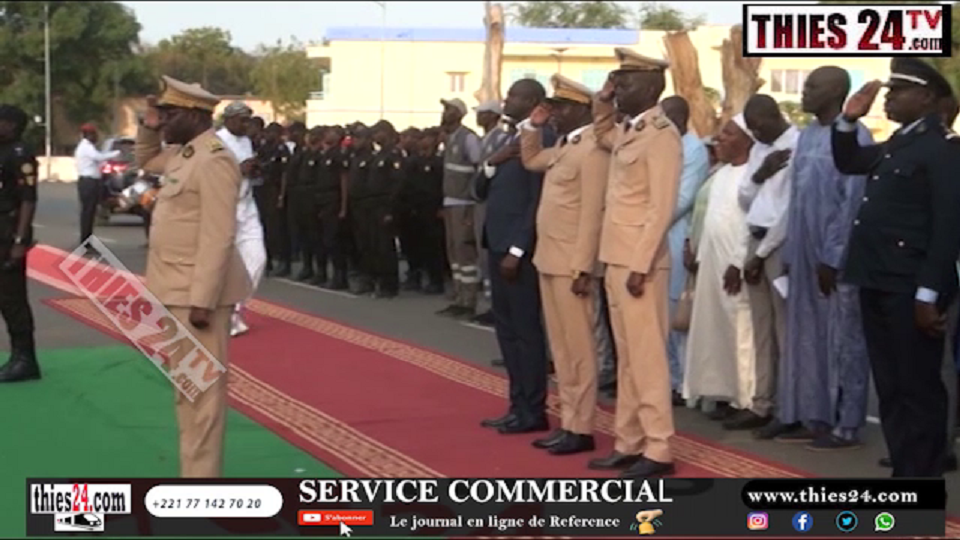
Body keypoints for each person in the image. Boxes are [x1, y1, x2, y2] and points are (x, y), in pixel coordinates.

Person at [832, 58, 960, 477]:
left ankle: (922, 477)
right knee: (890, 387)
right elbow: (850, 161)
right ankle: (905, 471)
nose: (887, 99)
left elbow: (947, 226)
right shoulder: (901, 144)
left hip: (909, 287)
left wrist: (929, 293)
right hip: (877, 279)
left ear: (925, 98)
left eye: (897, 92)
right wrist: (849, 120)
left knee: (917, 388)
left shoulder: (941, 148)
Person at [136, 75, 251, 477]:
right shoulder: (186, 154)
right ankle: (193, 474)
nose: (163, 120)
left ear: (191, 115)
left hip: (197, 297)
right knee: (187, 389)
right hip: (175, 289)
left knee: (203, 395)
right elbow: (146, 158)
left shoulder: (215, 158)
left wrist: (204, 297)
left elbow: (219, 235)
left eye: (168, 114)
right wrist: (148, 123)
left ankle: (202, 484)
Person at [757, 67, 872, 450]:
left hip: (834, 257)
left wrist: (833, 256)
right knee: (805, 339)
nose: (804, 92)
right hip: (803, 253)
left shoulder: (856, 136)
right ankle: (810, 415)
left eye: (811, 86)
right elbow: (796, 199)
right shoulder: (807, 136)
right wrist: (792, 252)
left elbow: (852, 204)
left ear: (837, 90)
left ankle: (846, 423)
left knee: (842, 340)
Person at [587, 49, 681, 479]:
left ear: (651, 88)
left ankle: (659, 448)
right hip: (617, 258)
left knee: (646, 359)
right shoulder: (631, 131)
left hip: (639, 264)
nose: (617, 88)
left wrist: (641, 264)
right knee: (627, 358)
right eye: (616, 82)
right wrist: (603, 98)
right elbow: (601, 129)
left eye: (625, 83)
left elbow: (660, 208)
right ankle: (629, 440)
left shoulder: (661, 135)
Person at [519, 74, 609, 455]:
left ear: (578, 110)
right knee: (562, 348)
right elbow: (531, 160)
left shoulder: (593, 149)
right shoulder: (566, 144)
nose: (552, 114)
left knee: (579, 349)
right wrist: (532, 127)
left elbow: (592, 212)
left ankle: (582, 426)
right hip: (550, 259)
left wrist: (583, 266)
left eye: (558, 109)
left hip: (573, 264)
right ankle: (569, 420)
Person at [478, 78, 555, 434]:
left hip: (517, 252)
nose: (506, 100)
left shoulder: (543, 138)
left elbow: (536, 201)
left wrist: (517, 248)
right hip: (496, 244)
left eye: (515, 95)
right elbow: (480, 190)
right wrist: (492, 163)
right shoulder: (509, 138)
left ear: (534, 101)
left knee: (526, 332)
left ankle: (534, 410)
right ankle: (516, 404)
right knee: (506, 332)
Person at [724, 95, 799, 431]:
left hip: (778, 245)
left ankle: (788, 409)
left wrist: (761, 254)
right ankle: (761, 404)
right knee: (762, 329)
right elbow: (745, 199)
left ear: (773, 116)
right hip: (755, 239)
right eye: (751, 128)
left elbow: (788, 210)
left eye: (759, 126)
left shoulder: (797, 144)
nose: (755, 134)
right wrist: (760, 174)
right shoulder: (759, 149)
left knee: (785, 333)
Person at [681, 117, 758, 421]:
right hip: (711, 261)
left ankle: (747, 399)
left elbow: (752, 225)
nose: (718, 139)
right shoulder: (721, 174)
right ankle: (724, 392)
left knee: (741, 329)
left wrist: (738, 264)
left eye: (728, 133)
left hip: (736, 266)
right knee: (715, 329)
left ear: (748, 139)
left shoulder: (753, 175)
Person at [660, 96, 710, 405]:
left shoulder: (694, 150)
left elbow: (681, 200)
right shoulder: (665, 144)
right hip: (657, 237)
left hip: (679, 238)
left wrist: (645, 218)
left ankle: (682, 383)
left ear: (678, 118)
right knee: (661, 313)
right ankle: (668, 378)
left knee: (678, 313)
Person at [216, 102, 266, 337]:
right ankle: (220, 313)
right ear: (228, 120)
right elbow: (211, 175)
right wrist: (239, 169)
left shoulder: (246, 141)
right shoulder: (216, 141)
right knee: (222, 264)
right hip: (224, 208)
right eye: (242, 120)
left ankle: (235, 309)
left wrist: (254, 169)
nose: (247, 125)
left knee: (258, 259)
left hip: (248, 204)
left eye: (248, 120)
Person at [0, 105, 39, 383]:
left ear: (12, 125)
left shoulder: (20, 154)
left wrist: (19, 240)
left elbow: (28, 198)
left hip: (8, 233)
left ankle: (25, 359)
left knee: (12, 298)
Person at [437, 98, 483, 319]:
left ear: (459, 113)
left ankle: (469, 301)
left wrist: (473, 201)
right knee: (453, 253)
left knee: (465, 253)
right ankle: (458, 297)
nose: (445, 113)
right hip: (450, 202)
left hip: (464, 204)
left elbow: (479, 169)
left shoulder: (468, 138)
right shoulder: (449, 137)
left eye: (449, 109)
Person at [470, 100, 509, 327]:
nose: (479, 117)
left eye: (483, 113)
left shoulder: (500, 139)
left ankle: (496, 306)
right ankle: (489, 303)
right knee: (482, 257)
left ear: (493, 115)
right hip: (480, 199)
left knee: (490, 255)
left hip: (491, 201)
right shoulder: (484, 139)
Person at [74, 123, 120, 250]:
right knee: (88, 213)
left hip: (90, 182)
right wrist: (115, 153)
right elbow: (98, 157)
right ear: (88, 135)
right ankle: (85, 242)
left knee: (90, 213)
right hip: (89, 183)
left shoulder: (87, 147)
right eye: (94, 134)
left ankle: (87, 240)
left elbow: (98, 160)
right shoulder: (86, 147)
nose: (96, 137)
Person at [313, 127, 349, 290]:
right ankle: (324, 273)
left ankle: (340, 275)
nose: (327, 134)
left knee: (334, 240)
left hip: (333, 200)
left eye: (332, 132)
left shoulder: (339, 155)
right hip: (321, 199)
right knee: (323, 239)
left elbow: (343, 180)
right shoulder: (324, 154)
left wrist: (343, 206)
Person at [255, 122, 291, 276]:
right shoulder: (264, 148)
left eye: (272, 133)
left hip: (275, 190)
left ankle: (284, 261)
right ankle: (266, 260)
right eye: (268, 132)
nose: (269, 135)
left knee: (277, 228)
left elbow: (285, 174)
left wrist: (282, 195)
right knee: (263, 226)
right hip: (262, 188)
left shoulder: (282, 150)